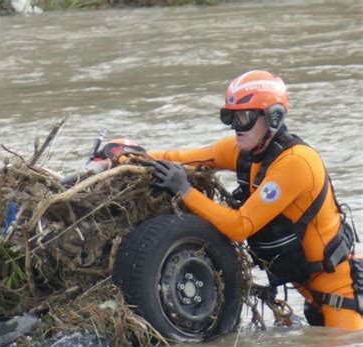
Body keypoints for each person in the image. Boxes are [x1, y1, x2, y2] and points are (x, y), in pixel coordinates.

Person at [148, 70, 363, 330]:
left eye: (245, 117)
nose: (236, 127)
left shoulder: (296, 163)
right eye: (230, 117)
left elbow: (240, 226)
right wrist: (122, 153)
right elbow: (178, 157)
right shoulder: (244, 151)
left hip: (341, 298)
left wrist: (185, 191)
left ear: (272, 117)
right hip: (313, 295)